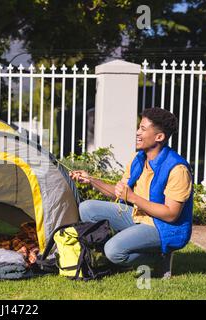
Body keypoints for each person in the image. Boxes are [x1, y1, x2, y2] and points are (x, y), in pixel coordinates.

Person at [70, 108, 193, 278]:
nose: (137, 132)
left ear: (159, 137)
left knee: (113, 251)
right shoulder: (139, 159)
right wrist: (90, 180)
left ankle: (158, 258)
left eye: (143, 129)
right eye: (138, 127)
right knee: (87, 208)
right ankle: (129, 245)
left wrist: (133, 197)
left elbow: (171, 214)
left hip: (163, 227)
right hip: (138, 216)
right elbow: (119, 192)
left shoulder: (177, 169)